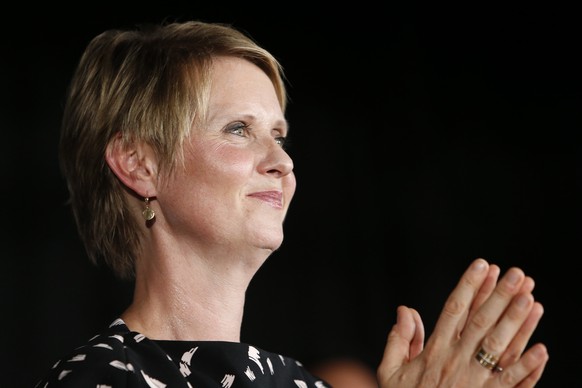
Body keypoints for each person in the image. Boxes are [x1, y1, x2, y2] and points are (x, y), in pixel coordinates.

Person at [36, 20, 549, 387]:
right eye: (239, 129)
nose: (282, 161)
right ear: (139, 165)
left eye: (280, 136)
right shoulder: (96, 379)